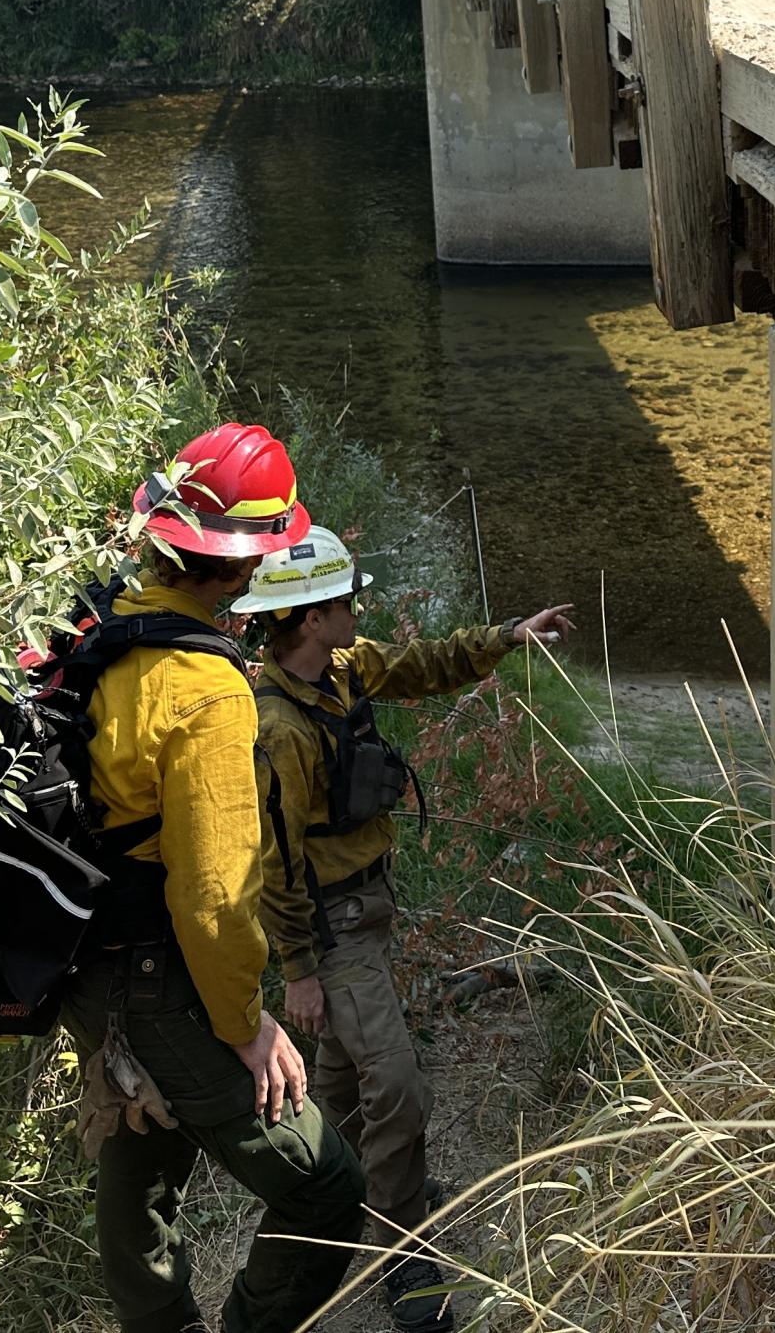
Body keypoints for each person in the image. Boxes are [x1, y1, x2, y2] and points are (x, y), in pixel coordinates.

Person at [63, 422, 369, 1333]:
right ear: (243, 568)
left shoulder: (103, 625)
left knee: (140, 1157)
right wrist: (246, 1025)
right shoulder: (208, 688)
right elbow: (214, 895)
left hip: (88, 958)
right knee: (325, 1188)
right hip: (162, 976)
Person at [235, 525, 576, 1332]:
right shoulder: (278, 728)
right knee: (399, 1087)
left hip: (369, 907)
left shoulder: (345, 669)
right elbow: (275, 859)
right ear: (309, 620)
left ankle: (333, 1199)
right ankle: (402, 1253)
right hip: (334, 928)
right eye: (345, 601)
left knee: (344, 1090)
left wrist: (507, 636)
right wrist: (301, 970)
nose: (357, 610)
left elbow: (423, 667)